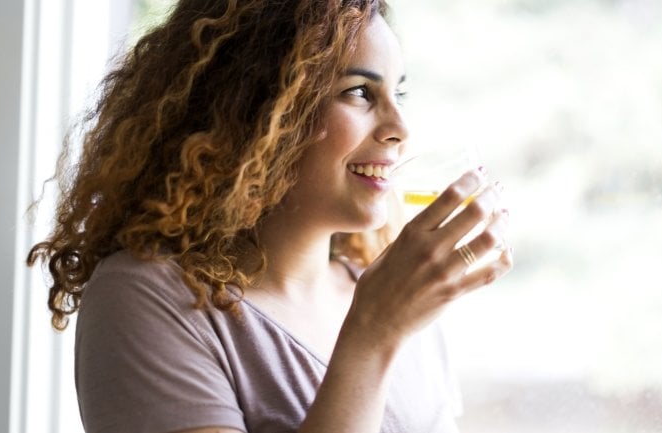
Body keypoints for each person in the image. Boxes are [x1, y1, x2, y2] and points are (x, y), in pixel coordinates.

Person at [27, 0, 513, 432]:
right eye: (359, 93)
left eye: (398, 95)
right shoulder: (145, 295)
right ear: (259, 112)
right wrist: (371, 337)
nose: (400, 128)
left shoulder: (389, 288)